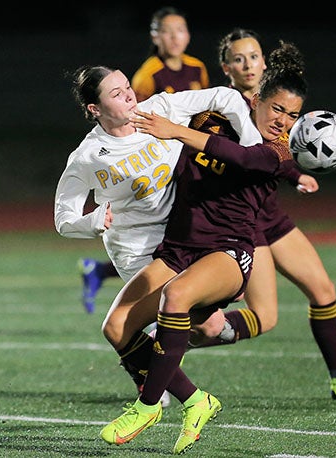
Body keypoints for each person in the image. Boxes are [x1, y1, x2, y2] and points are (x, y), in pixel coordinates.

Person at [98, 41, 317, 455]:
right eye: (277, 109)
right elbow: (167, 112)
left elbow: (238, 158)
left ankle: (147, 406)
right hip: (178, 247)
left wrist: (299, 174)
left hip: (230, 252)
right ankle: (198, 401)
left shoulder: (275, 151)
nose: (283, 121)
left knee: (175, 296)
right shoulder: (213, 114)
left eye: (292, 115)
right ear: (257, 99)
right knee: (117, 326)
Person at [187, 28, 336, 401]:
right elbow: (243, 159)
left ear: (265, 61)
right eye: (239, 58)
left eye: (254, 56)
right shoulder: (223, 107)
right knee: (264, 316)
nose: (248, 64)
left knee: (324, 290)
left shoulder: (281, 100)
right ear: (225, 67)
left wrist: (297, 173)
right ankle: (171, 341)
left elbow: (278, 153)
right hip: (242, 221)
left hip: (271, 215)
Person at [54, 66, 261, 409]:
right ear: (95, 109)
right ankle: (175, 392)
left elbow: (224, 96)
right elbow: (63, 219)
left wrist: (252, 147)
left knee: (210, 328)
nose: (129, 95)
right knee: (149, 320)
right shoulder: (88, 157)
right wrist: (92, 222)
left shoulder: (158, 111)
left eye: (126, 87)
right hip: (136, 248)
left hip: (184, 232)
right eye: (116, 94)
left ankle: (147, 360)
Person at [78, 5, 210, 314]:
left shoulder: (198, 68)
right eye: (167, 31)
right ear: (156, 36)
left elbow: (203, 114)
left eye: (180, 30)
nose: (175, 37)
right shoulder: (147, 74)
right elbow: (129, 119)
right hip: (163, 162)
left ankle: (100, 272)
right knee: (172, 233)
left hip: (190, 155)